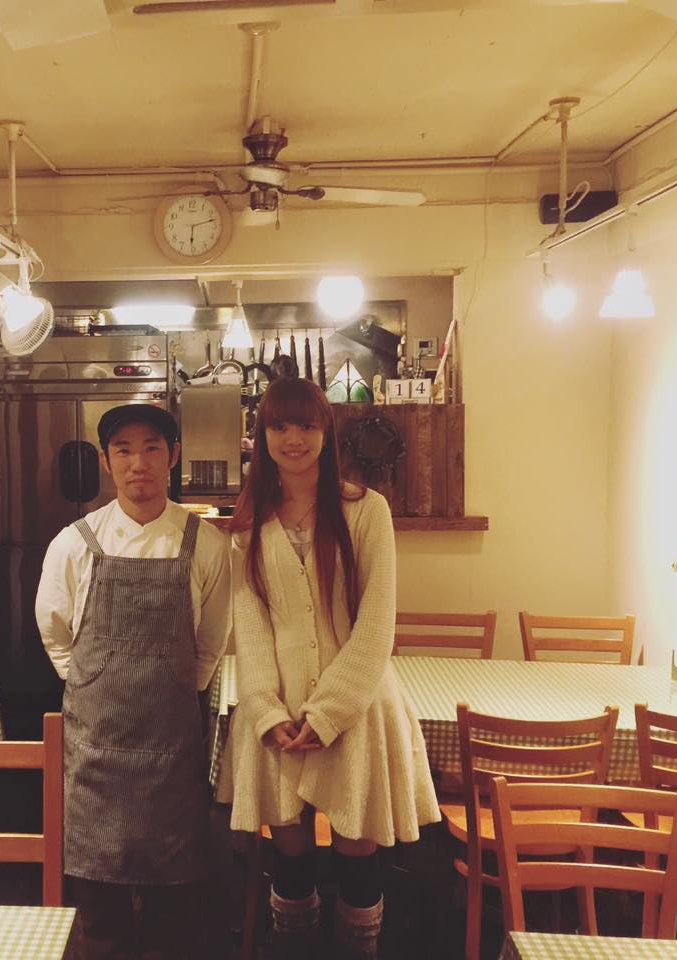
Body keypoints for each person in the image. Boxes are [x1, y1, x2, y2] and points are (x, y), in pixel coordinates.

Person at [217, 378, 439, 960]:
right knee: (289, 854)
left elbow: (377, 623)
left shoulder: (365, 510)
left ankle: (358, 949)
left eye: (307, 425)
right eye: (280, 426)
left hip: (358, 706)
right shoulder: (247, 523)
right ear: (262, 435)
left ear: (326, 432)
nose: (294, 439)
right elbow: (250, 628)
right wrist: (265, 710)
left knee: (356, 854)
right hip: (279, 710)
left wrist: (330, 711)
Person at [35, 404, 231, 960]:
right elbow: (54, 633)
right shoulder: (74, 543)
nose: (137, 462)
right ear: (106, 461)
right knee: (100, 914)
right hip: (95, 754)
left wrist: (171, 686)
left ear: (173, 457)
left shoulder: (206, 543)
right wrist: (94, 682)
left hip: (173, 753)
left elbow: (211, 642)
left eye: (151, 448)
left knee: (175, 912)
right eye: (123, 450)